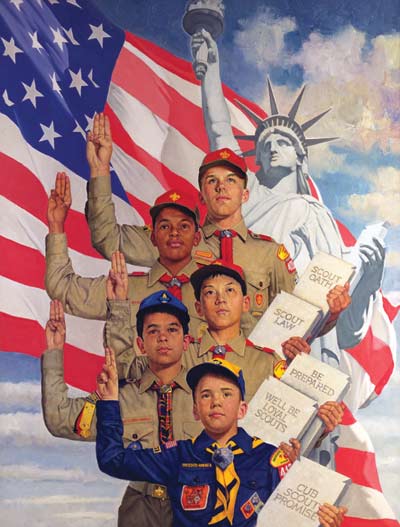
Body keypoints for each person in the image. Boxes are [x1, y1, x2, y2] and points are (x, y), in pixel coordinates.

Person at [190, 29, 386, 411]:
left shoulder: (316, 214)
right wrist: (210, 74)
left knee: (299, 449)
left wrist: (367, 275)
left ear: (300, 157)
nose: (272, 147)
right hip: (249, 335)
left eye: (283, 143)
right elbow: (219, 134)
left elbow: (340, 308)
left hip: (307, 347)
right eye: (266, 145)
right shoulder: (250, 200)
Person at [85, 113, 350, 337]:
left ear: (245, 194)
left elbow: (297, 322)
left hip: (248, 386)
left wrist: (333, 313)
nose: (221, 186)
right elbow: (108, 239)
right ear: (202, 195)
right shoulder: (176, 242)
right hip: (189, 385)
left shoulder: (270, 255)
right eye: (212, 181)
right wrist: (99, 171)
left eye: (231, 180)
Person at [96, 355, 347, 527]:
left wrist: (324, 524)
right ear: (195, 409)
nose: (216, 401)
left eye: (227, 394)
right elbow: (112, 460)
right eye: (206, 395)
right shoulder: (179, 455)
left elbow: (294, 519)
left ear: (242, 409)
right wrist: (108, 402)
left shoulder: (270, 458)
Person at [108, 260, 344, 434]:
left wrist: (321, 426)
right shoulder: (176, 355)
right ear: (199, 308)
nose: (220, 299)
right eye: (210, 293)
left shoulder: (268, 363)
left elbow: (289, 430)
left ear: (245, 303)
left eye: (230, 291)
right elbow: (123, 367)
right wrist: (118, 305)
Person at [42, 293, 201, 527]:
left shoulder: (208, 395)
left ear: (186, 340)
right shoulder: (119, 396)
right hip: (139, 512)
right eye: (152, 331)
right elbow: (58, 419)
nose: (163, 337)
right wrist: (54, 351)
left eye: (172, 329)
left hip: (196, 508)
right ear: (140, 343)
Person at [46, 171, 207, 372]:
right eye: (165, 226)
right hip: (137, 396)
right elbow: (61, 288)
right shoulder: (124, 289)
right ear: (153, 237)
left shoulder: (215, 291)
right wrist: (56, 226)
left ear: (197, 237)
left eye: (184, 226)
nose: (174, 232)